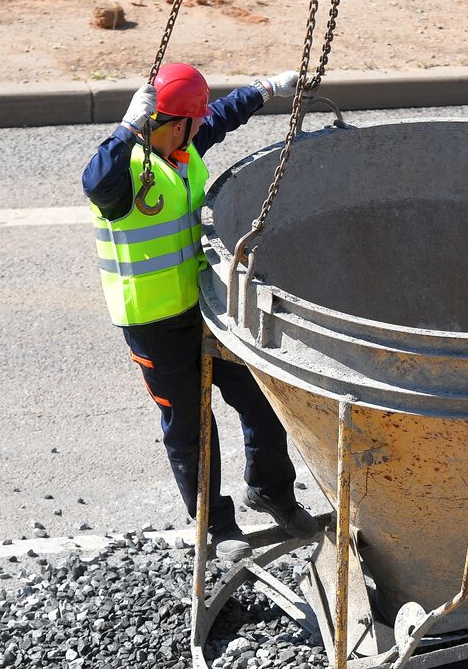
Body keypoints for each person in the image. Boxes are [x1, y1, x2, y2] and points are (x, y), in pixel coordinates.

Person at [82, 62, 317, 563]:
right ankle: (215, 525)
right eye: (191, 119)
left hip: (203, 306)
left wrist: (266, 88)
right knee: (189, 423)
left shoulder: (183, 146)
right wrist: (125, 129)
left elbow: (222, 116)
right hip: (152, 322)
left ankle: (272, 490)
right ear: (172, 120)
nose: (198, 125)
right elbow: (93, 179)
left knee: (258, 396)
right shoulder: (124, 172)